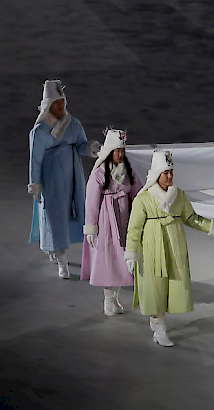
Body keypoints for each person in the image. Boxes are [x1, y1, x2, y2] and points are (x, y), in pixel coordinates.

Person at [124, 150, 214, 346]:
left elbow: (191, 218)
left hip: (174, 245)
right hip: (152, 248)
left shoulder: (179, 195)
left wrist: (211, 226)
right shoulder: (143, 199)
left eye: (171, 172)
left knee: (174, 284)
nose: (169, 176)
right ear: (157, 174)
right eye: (166, 172)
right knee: (155, 286)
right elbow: (134, 229)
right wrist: (131, 253)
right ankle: (158, 327)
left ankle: (160, 324)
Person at [28, 80, 100, 278]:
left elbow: (81, 144)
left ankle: (57, 249)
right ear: (48, 104)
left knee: (73, 212)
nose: (61, 105)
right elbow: (36, 160)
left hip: (72, 177)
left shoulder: (73, 124)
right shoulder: (40, 131)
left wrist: (91, 148)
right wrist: (35, 183)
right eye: (56, 101)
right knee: (54, 216)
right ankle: (61, 260)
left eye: (62, 101)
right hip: (51, 179)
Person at [81, 128, 143, 315]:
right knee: (109, 259)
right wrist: (91, 227)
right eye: (117, 151)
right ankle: (108, 299)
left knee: (121, 259)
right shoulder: (100, 174)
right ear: (109, 152)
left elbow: (137, 191)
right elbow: (91, 201)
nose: (120, 154)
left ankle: (115, 297)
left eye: (122, 151)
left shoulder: (128, 170)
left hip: (124, 220)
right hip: (107, 221)